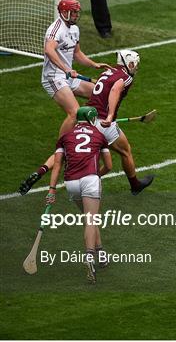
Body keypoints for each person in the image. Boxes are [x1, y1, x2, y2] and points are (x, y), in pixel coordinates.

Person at [18, 0, 110, 195]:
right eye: (74, 13)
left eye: (77, 13)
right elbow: (49, 50)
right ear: (64, 12)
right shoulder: (56, 29)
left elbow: (77, 53)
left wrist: (93, 64)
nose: (76, 16)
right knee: (75, 112)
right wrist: (66, 69)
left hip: (68, 77)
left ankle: (96, 126)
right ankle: (62, 148)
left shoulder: (74, 29)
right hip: (54, 78)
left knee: (98, 91)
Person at [46, 106, 112, 284]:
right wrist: (97, 176)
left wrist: (52, 189)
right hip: (90, 180)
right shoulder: (100, 136)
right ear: (92, 119)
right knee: (91, 221)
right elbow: (109, 166)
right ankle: (90, 256)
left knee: (90, 218)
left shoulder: (65, 138)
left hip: (71, 183)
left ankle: (101, 253)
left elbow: (58, 164)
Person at [86, 49, 154, 195]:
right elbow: (115, 90)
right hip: (103, 123)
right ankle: (135, 185)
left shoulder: (107, 72)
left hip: (86, 118)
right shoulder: (125, 77)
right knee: (125, 151)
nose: (135, 67)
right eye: (134, 64)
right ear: (127, 64)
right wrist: (110, 116)